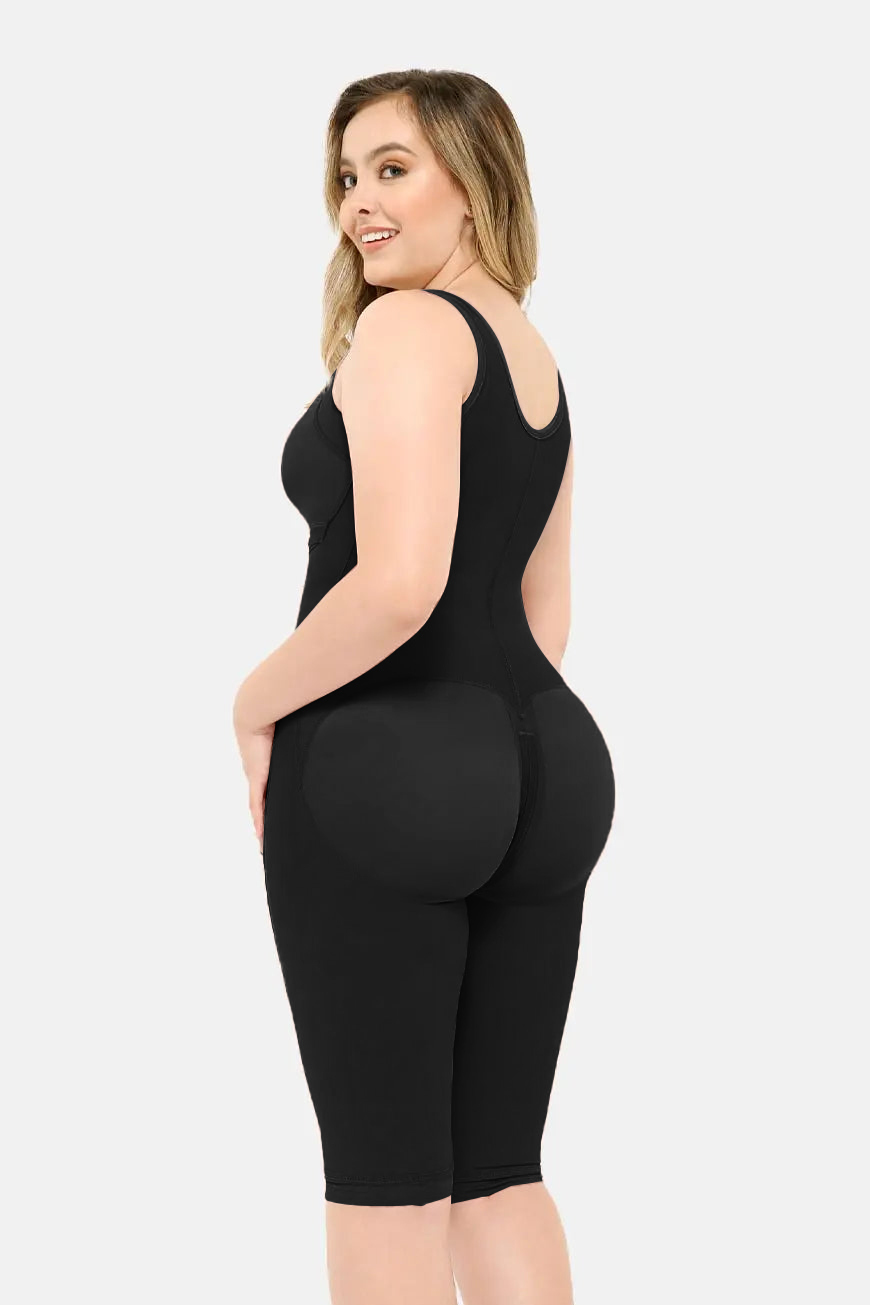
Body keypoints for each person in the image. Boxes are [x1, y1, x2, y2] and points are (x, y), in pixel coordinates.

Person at [232, 69, 616, 1305]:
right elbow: (544, 610)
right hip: (549, 769)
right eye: (348, 175)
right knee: (501, 1172)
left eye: (394, 169)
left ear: (475, 178)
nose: (360, 203)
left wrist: (254, 702)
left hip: (386, 773)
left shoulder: (407, 330)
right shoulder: (532, 353)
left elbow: (401, 587)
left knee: (387, 1183)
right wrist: (485, 768)